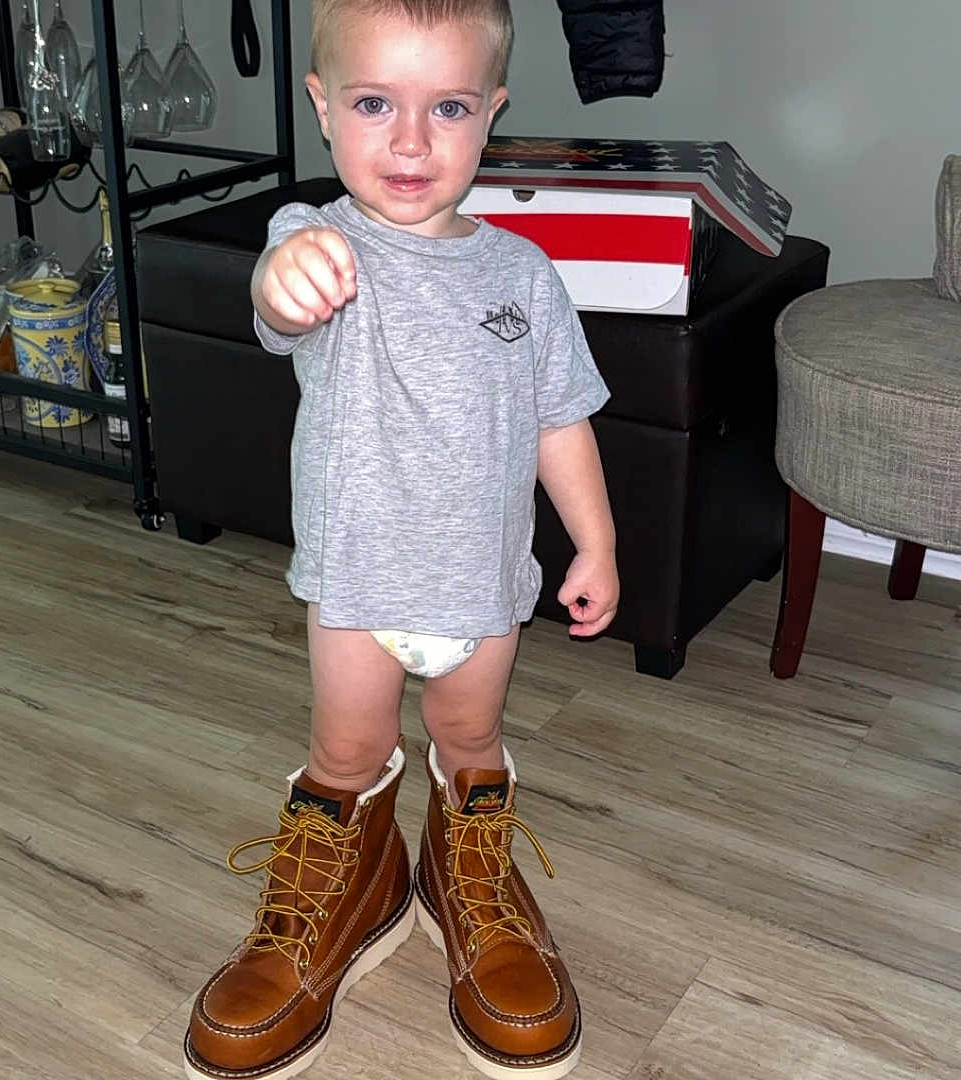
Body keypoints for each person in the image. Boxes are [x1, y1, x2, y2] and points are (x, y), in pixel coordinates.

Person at [183, 2, 618, 1078]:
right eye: (375, 104)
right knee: (346, 753)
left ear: (491, 117)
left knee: (469, 748)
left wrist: (595, 544)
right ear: (325, 108)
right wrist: (285, 285)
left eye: (449, 108)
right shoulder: (318, 242)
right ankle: (345, 885)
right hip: (360, 592)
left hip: (483, 593)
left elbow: (561, 420)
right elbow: (279, 301)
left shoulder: (522, 276)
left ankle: (465, 876)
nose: (412, 142)